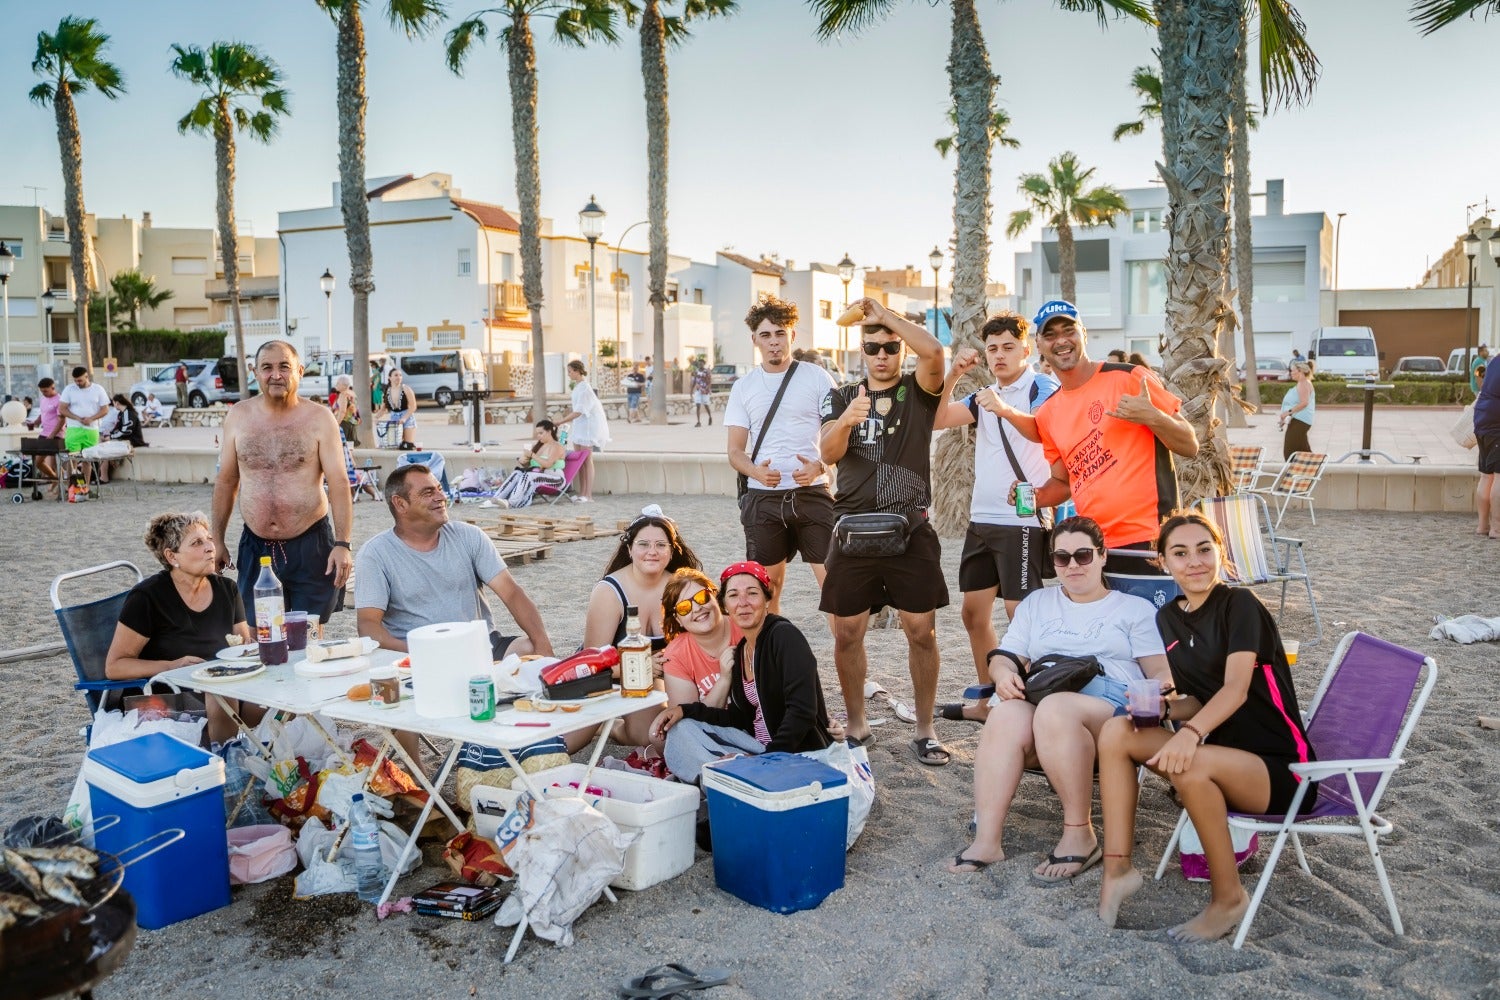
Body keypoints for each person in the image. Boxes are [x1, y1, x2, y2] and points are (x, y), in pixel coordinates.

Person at [1097, 511, 1317, 942]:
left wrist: (1190, 733)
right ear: (1163, 562)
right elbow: (1200, 697)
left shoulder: (1240, 605)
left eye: (1204, 549)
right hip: (1218, 755)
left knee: (1190, 763)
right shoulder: (1168, 618)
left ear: (1220, 552)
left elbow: (1235, 690)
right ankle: (1117, 869)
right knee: (1117, 732)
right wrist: (1168, 709)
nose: (1194, 561)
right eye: (1180, 553)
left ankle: (1228, 899)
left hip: (1281, 769)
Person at [949, 516, 1170, 881]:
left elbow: (1160, 671)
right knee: (1004, 715)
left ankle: (1079, 834)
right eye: (1062, 558)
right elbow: (1006, 656)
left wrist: (1158, 696)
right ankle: (987, 840)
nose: (1072, 565)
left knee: (1055, 708)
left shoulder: (1133, 609)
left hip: (1110, 710)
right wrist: (1003, 676)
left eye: (1083, 555)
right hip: (1046, 705)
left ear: (1102, 556)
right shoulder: (1038, 603)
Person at [819, 297, 951, 765]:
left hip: (910, 528)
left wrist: (886, 317)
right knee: (847, 633)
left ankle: (925, 729)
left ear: (901, 351)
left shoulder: (918, 390)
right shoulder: (841, 396)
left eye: (890, 347)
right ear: (861, 351)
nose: (881, 354)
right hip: (852, 530)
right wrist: (846, 422)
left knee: (921, 632)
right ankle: (858, 723)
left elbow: (935, 352)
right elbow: (827, 454)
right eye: (872, 346)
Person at [356, 463, 555, 755]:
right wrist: (418, 653)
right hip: (416, 660)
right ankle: (416, 777)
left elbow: (512, 593)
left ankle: (524, 750)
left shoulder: (468, 536)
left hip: (481, 648)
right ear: (400, 504)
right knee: (392, 687)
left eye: (439, 489)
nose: (441, 497)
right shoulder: (376, 554)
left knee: (532, 652)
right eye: (428, 493)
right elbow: (368, 625)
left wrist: (544, 647)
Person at [933, 314, 1060, 723]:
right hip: (982, 518)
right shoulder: (984, 394)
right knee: (973, 614)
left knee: (1019, 614)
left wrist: (1004, 410)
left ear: (1027, 349)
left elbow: (1045, 432)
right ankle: (988, 701)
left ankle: (1031, 703)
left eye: (1008, 347)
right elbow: (937, 420)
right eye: (992, 348)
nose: (999, 355)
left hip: (1022, 518)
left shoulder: (1041, 386)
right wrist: (953, 376)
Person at [1025, 300, 1198, 576]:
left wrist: (1153, 416)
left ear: (1083, 334)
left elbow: (1190, 445)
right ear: (1039, 346)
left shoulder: (1129, 378)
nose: (1061, 341)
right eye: (1050, 335)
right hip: (1093, 546)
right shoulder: (1047, 414)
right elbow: (1063, 482)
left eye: (1069, 331)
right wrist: (1036, 497)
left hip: (1150, 539)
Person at [651, 561, 834, 784]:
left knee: (705, 755)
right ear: (725, 603)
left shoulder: (784, 637)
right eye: (734, 595)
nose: (743, 603)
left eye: (752, 593)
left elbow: (803, 712)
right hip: (757, 747)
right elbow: (740, 718)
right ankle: (729, 779)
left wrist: (767, 760)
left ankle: (728, 781)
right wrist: (685, 710)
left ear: (767, 599)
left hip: (793, 754)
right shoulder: (742, 650)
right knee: (682, 729)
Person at [213, 340, 354, 628]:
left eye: (284, 367)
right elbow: (227, 480)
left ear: (299, 371)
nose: (275, 375)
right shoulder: (238, 416)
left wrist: (343, 544)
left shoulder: (319, 418)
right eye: (267, 367)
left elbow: (339, 482)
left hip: (311, 544)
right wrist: (217, 539)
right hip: (256, 545)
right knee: (260, 633)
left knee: (307, 634)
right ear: (255, 372)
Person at [104, 512, 263, 745]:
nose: (210, 547)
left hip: (221, 684)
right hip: (164, 694)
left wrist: (254, 649)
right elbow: (115, 666)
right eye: (197, 542)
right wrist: (172, 665)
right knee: (222, 693)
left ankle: (264, 756)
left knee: (273, 695)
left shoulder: (227, 589)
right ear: (171, 556)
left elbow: (242, 646)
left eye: (209, 539)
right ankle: (224, 758)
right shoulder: (147, 597)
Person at [726, 296, 839, 615]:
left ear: (792, 335)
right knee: (767, 589)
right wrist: (755, 472)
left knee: (834, 587)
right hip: (765, 498)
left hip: (812, 492)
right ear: (754, 339)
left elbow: (837, 434)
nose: (774, 341)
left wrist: (821, 464)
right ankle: (771, 648)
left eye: (780, 333)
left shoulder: (818, 377)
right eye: (766, 335)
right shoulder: (744, 387)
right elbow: (735, 451)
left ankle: (842, 651)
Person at [581, 506, 702, 748]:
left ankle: (616, 725)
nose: (652, 552)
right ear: (630, 549)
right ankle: (606, 723)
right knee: (572, 739)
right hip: (608, 675)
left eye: (661, 545)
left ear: (671, 550)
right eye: (643, 544)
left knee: (650, 735)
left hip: (656, 677)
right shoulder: (609, 591)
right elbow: (591, 664)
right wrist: (642, 666)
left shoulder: (681, 588)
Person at [660, 568, 737, 710]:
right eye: (684, 607)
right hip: (710, 724)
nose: (697, 609)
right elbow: (688, 718)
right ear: (678, 620)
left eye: (702, 597)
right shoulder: (677, 655)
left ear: (714, 595)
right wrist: (724, 680)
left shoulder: (744, 627)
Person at [556, 360, 610, 503]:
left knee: (587, 460)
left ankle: (588, 495)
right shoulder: (577, 387)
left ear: (577, 371)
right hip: (579, 426)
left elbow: (579, 411)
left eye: (570, 371)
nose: (568, 374)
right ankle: (582, 493)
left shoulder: (585, 388)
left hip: (587, 428)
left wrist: (561, 421)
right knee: (579, 461)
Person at [494, 419, 567, 508]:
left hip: (556, 479)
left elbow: (548, 464)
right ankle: (495, 499)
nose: (538, 436)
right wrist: (523, 461)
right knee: (517, 473)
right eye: (537, 433)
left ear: (549, 432)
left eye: (541, 433)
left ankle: (511, 502)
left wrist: (532, 455)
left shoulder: (556, 446)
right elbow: (531, 466)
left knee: (529, 476)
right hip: (538, 475)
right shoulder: (538, 446)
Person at [1473, 344, 1500, 539]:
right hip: (1496, 424)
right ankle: (1497, 528)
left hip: (1481, 422)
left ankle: (1482, 525)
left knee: (1486, 476)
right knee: (1499, 477)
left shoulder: (1494, 361)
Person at [58, 366, 111, 454]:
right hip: (73, 428)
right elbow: (62, 409)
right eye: (75, 381)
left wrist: (91, 419)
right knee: (72, 456)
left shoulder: (98, 389)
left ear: (86, 377)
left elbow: (105, 409)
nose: (77, 383)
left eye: (80, 380)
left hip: (92, 429)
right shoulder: (69, 389)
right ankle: (73, 465)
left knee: (89, 457)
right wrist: (78, 418)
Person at [1277, 361, 1316, 459]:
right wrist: (1285, 417)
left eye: (1293, 371)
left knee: (1289, 451)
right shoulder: (1301, 383)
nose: (1291, 373)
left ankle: (1301, 466)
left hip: (1301, 420)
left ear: (1300, 371)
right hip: (1298, 420)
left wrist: (1287, 413)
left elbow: (1304, 402)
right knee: (1303, 449)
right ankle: (1313, 466)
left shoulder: (1304, 383)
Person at [380, 369, 418, 448]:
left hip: (407, 417)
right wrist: (376, 417)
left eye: (400, 375)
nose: (399, 377)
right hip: (394, 418)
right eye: (396, 375)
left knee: (407, 445)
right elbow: (383, 408)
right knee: (394, 445)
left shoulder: (406, 389)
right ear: (390, 377)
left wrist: (404, 418)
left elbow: (413, 406)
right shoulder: (387, 391)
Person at [331, 374, 360, 447]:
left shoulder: (343, 395)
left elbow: (342, 411)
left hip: (343, 424)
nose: (336, 385)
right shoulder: (352, 394)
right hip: (352, 424)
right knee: (349, 448)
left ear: (344, 385)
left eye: (338, 383)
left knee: (341, 448)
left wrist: (337, 424)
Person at [690, 358, 713, 427]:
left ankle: (710, 417)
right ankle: (698, 422)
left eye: (701, 363)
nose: (700, 364)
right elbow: (694, 381)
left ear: (704, 364)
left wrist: (707, 388)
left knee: (706, 405)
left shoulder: (707, 372)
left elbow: (709, 382)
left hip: (705, 391)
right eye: (699, 363)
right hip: (698, 391)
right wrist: (691, 391)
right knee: (698, 405)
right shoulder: (696, 372)